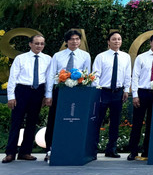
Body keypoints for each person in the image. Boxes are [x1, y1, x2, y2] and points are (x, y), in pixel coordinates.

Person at [44, 29, 91, 161]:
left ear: (80, 41)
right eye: (71, 39)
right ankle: (50, 149)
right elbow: (51, 74)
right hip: (60, 91)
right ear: (66, 41)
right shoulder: (57, 56)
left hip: (78, 92)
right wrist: (48, 95)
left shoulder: (85, 55)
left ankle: (74, 148)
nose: (74, 42)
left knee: (76, 119)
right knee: (54, 120)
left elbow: (87, 74)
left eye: (77, 39)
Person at [2, 35, 50, 163]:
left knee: (32, 122)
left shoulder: (48, 59)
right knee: (16, 122)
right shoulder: (20, 58)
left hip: (38, 91)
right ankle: (10, 153)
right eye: (36, 43)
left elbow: (48, 78)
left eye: (42, 43)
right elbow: (13, 78)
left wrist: (46, 95)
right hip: (22, 91)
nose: (39, 46)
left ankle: (25, 152)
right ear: (30, 44)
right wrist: (11, 97)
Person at [127, 33, 153, 161]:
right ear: (150, 43)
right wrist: (135, 95)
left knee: (152, 124)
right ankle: (133, 151)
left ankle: (147, 151)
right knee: (137, 123)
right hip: (142, 92)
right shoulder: (141, 57)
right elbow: (135, 77)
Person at [93, 31, 131, 158]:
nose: (117, 41)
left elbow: (127, 75)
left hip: (118, 92)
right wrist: (97, 91)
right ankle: (92, 149)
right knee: (97, 121)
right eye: (114, 39)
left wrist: (126, 90)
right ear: (108, 42)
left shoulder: (126, 57)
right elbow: (95, 75)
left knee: (115, 122)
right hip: (103, 92)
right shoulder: (101, 56)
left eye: (119, 39)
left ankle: (111, 149)